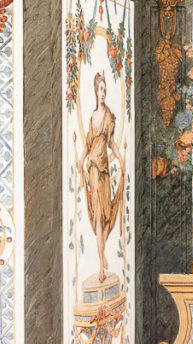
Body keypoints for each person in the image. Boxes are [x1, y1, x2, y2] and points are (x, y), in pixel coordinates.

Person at [77, 71, 126, 283]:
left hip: (105, 169)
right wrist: (80, 161)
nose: (103, 93)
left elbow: (112, 143)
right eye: (100, 89)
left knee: (106, 215)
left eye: (105, 89)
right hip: (94, 169)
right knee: (98, 215)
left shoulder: (109, 117)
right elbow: (88, 145)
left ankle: (102, 257)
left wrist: (120, 159)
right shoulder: (93, 117)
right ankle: (100, 264)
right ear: (95, 92)